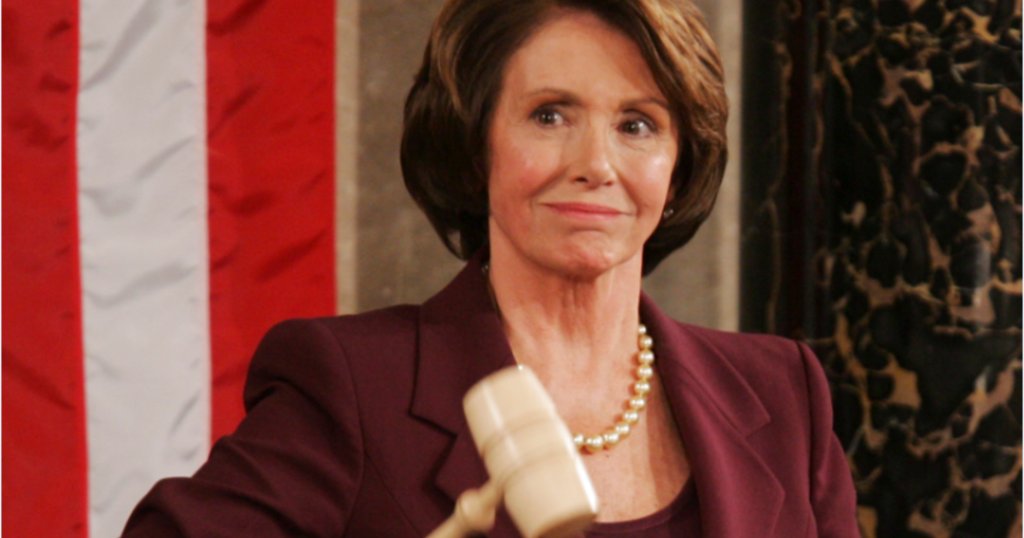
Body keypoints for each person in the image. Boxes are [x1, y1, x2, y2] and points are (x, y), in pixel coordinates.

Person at [123, 0, 858, 536]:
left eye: (637, 124)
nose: (597, 164)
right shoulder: (353, 387)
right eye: (550, 115)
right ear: (475, 146)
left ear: (679, 166)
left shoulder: (782, 395)